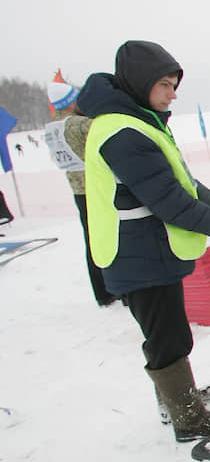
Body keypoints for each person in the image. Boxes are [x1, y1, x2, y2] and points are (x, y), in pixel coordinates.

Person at [77, 40, 210, 442]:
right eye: (165, 84)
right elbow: (172, 202)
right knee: (168, 336)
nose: (173, 93)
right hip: (137, 253)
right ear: (141, 82)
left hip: (149, 248)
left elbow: (183, 180)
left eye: (174, 84)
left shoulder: (139, 119)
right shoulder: (122, 132)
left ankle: (176, 400)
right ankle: (188, 418)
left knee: (166, 331)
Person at [43, 81, 118, 307]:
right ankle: (121, 288)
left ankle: (102, 292)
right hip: (98, 187)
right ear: (71, 101)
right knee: (112, 237)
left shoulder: (52, 128)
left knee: (92, 239)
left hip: (77, 190)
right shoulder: (79, 124)